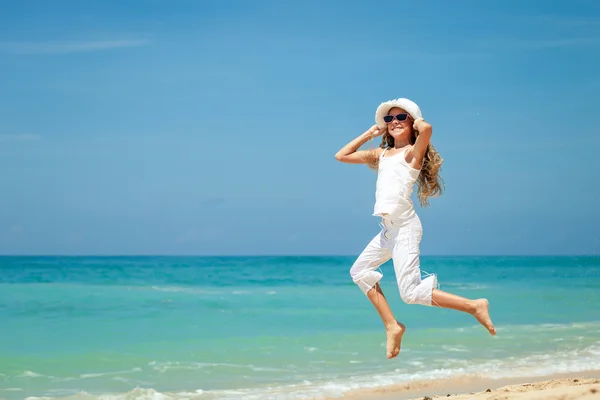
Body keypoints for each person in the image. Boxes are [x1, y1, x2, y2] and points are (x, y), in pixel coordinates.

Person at [334, 98, 496, 359]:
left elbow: (428, 129)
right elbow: (341, 155)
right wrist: (369, 133)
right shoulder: (382, 154)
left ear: (411, 123)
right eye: (389, 119)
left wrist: (419, 123)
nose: (394, 122)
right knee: (359, 271)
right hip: (388, 231)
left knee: (409, 293)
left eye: (401, 118)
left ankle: (474, 306)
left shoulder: (412, 152)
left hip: (406, 229)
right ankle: (392, 325)